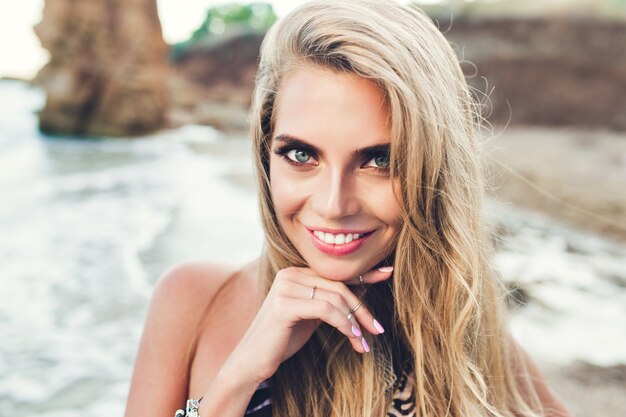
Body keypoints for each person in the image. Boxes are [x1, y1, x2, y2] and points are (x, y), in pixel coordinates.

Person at [124, 1, 571, 416]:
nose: (334, 205)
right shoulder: (194, 303)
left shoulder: (463, 337)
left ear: (433, 171)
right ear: (265, 156)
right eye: (301, 155)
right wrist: (240, 376)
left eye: (379, 160)